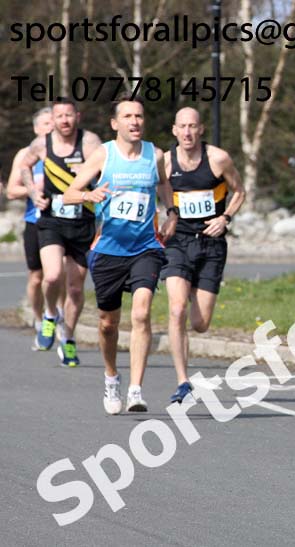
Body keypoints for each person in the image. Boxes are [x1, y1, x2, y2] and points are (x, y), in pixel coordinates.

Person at [63, 94, 178, 414]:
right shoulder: (103, 155)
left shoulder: (154, 154)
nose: (135, 121)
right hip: (109, 250)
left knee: (141, 313)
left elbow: (164, 184)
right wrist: (89, 195)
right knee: (107, 324)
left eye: (139, 116)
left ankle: (135, 389)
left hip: (146, 247)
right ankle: (112, 377)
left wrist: (171, 212)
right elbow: (70, 193)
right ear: (115, 123)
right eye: (128, 116)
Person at [161, 107, 246, 404]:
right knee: (176, 309)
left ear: (201, 129)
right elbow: (161, 188)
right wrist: (170, 213)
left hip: (211, 244)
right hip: (178, 242)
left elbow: (239, 191)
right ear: (174, 130)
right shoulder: (166, 161)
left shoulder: (218, 159)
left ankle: (191, 288)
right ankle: (182, 381)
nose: (187, 132)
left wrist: (225, 218)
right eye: (182, 126)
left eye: (192, 126)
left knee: (200, 323)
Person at [18, 98, 102, 366]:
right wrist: (33, 192)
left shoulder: (89, 142)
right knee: (52, 275)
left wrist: (90, 176)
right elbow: (24, 165)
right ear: (52, 120)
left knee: (75, 289)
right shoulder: (42, 144)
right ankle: (50, 315)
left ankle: (68, 338)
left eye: (69, 115)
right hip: (52, 219)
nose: (64, 120)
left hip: (82, 221)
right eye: (59, 116)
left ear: (78, 116)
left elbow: (106, 170)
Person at [5, 108, 67, 346]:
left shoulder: (66, 151)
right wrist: (35, 190)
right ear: (35, 129)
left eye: (53, 122)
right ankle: (40, 320)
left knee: (59, 273)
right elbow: (12, 190)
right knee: (36, 277)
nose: (51, 127)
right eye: (45, 124)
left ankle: (59, 317)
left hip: (63, 220)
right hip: (35, 221)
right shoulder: (26, 154)